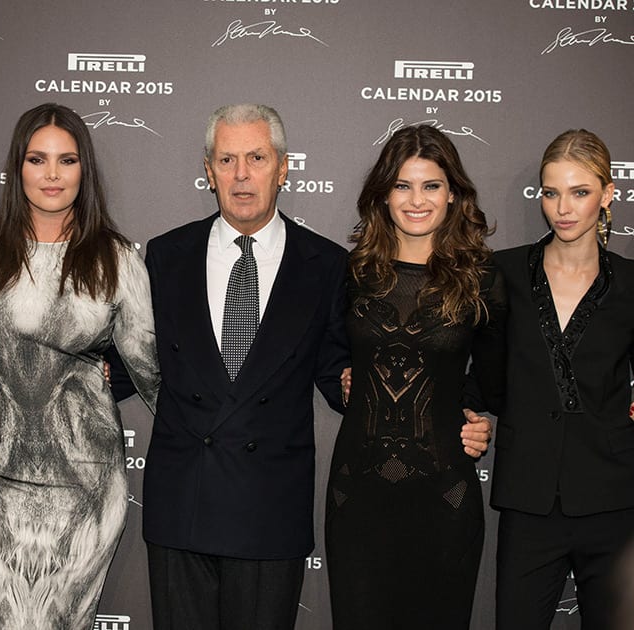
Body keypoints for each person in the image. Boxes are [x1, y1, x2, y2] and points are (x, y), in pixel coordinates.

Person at [0, 102, 159, 629]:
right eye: (37, 159)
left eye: (66, 160)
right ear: (17, 167)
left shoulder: (116, 258)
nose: (51, 174)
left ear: (83, 170)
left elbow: (151, 370)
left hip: (84, 485)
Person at [141, 103, 347, 630]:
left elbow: (339, 375)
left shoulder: (325, 265)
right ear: (208, 171)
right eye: (226, 159)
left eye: (256, 157)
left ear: (283, 167)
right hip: (182, 504)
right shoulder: (166, 256)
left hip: (269, 509)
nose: (240, 174)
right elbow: (132, 358)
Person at [325, 125, 503, 630]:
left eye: (431, 186)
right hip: (357, 496)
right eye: (403, 185)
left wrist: (470, 412)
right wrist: (341, 377)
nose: (416, 200)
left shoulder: (483, 280)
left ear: (453, 195)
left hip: (444, 495)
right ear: (383, 195)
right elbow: (322, 355)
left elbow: (495, 378)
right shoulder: (352, 272)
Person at [487, 129, 634, 630]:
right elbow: (479, 372)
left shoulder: (632, 284)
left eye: (579, 192)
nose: (562, 209)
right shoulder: (502, 273)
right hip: (529, 499)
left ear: (608, 194)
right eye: (551, 193)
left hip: (614, 498)